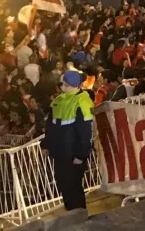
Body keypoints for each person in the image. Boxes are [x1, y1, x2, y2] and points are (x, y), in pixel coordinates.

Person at [41, 71, 94, 211]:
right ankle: (73, 218)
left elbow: (86, 132)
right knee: (64, 187)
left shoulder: (82, 101)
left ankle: (80, 221)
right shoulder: (58, 101)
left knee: (74, 189)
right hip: (60, 154)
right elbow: (50, 127)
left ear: (72, 85)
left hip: (73, 155)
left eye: (65, 85)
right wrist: (46, 145)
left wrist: (81, 155)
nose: (62, 87)